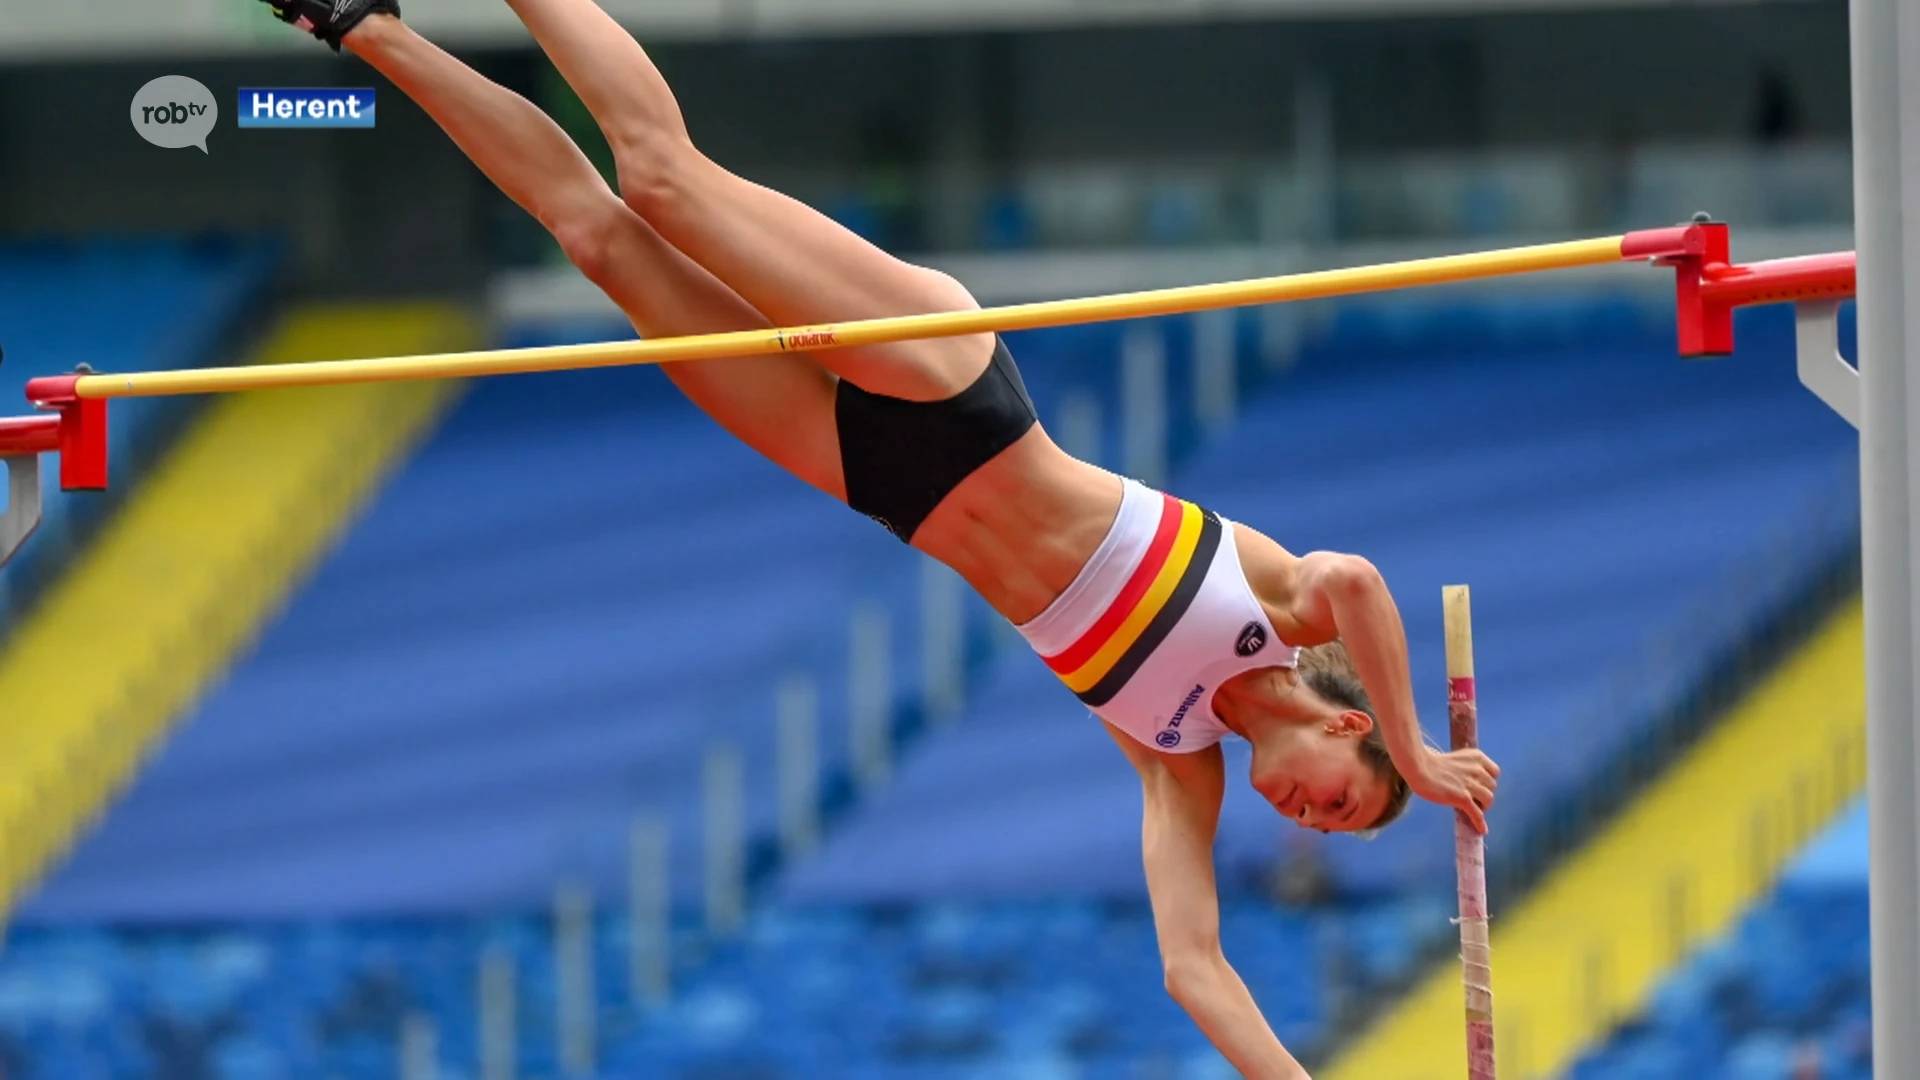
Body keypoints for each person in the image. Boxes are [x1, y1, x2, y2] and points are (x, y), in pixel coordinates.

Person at [262, 2, 1501, 1073]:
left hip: (876, 481)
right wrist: (1424, 751)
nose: (1307, 818)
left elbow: (1194, 969)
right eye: (1342, 804)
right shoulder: (1279, 612)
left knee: (601, 242)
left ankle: (364, 27)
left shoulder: (1177, 761)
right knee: (663, 182)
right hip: (949, 387)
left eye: (1322, 829)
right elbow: (1359, 577)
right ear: (1349, 727)